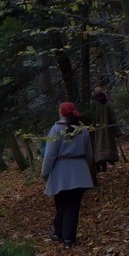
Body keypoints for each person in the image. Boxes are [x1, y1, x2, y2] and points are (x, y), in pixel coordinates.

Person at [41, 102, 95, 247]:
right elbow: (89, 153)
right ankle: (67, 237)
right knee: (73, 205)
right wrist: (87, 169)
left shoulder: (57, 128)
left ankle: (62, 235)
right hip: (79, 170)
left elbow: (50, 154)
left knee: (61, 203)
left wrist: (44, 172)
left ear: (62, 113)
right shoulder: (82, 129)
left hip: (61, 171)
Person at [91, 86, 120, 172]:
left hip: (96, 131)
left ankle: (100, 165)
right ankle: (103, 165)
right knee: (105, 146)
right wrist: (117, 132)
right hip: (107, 131)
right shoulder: (107, 104)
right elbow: (113, 119)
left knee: (97, 147)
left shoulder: (93, 104)